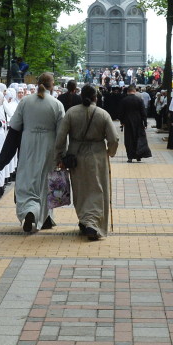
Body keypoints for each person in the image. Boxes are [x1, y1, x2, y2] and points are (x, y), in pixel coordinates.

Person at [54, 85, 119, 240]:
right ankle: (92, 223)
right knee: (97, 188)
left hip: (75, 156)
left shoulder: (71, 113)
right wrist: (110, 152)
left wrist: (59, 157)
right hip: (97, 155)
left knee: (81, 190)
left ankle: (84, 220)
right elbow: (114, 138)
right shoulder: (103, 114)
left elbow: (60, 138)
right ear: (96, 97)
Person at [8, 72, 65, 233]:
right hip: (49, 145)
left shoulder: (25, 102)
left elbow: (15, 125)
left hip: (28, 144)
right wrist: (62, 154)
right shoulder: (56, 104)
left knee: (27, 179)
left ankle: (30, 210)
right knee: (46, 180)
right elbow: (62, 133)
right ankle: (45, 217)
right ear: (51, 85)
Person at [118, 85, 151, 162]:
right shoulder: (139, 100)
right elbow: (143, 112)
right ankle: (138, 155)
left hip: (128, 122)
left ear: (127, 92)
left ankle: (130, 157)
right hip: (138, 122)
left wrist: (122, 122)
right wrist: (145, 123)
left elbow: (120, 112)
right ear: (134, 91)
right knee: (138, 138)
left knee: (129, 139)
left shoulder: (124, 100)